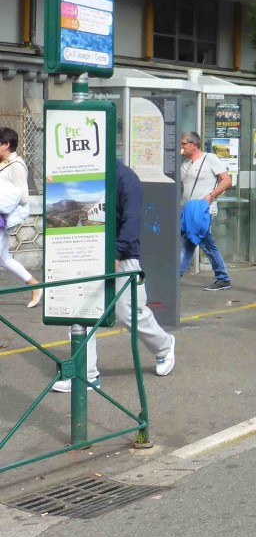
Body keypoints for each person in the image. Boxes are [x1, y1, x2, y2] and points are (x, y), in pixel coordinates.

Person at [52, 163, 176, 392]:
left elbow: (133, 221)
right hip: (85, 253)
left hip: (122, 256)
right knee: (79, 310)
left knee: (129, 312)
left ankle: (164, 346)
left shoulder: (125, 177)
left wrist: (116, 253)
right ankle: (85, 374)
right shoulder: (82, 170)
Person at [179, 131, 233, 291]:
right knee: (196, 244)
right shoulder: (185, 165)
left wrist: (211, 196)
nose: (181, 147)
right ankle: (222, 278)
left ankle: (223, 278)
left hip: (203, 211)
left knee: (193, 244)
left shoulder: (210, 159)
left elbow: (227, 180)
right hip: (189, 211)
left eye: (183, 144)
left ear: (193, 145)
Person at [0, 127, 41, 307]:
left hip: (3, 216)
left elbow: (24, 196)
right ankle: (34, 285)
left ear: (6, 145)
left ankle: (35, 285)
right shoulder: (2, 163)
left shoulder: (16, 166)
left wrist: (5, 193)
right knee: (4, 258)